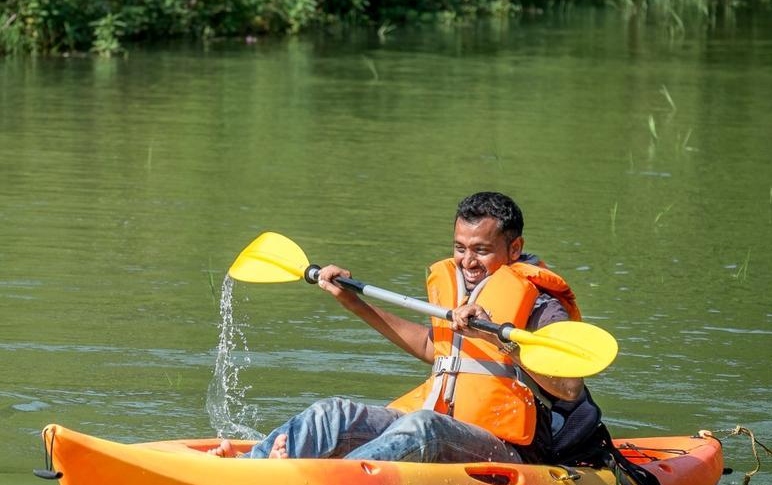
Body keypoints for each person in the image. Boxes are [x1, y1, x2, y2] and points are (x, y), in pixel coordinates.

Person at [212, 191, 602, 465]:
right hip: (441, 422)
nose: (467, 261)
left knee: (424, 426)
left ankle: (319, 482)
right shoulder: (458, 287)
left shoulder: (540, 303)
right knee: (331, 414)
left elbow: (568, 386)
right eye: (460, 247)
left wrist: (494, 337)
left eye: (481, 250)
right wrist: (351, 300)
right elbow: (436, 350)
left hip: (508, 447)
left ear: (514, 249)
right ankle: (250, 468)